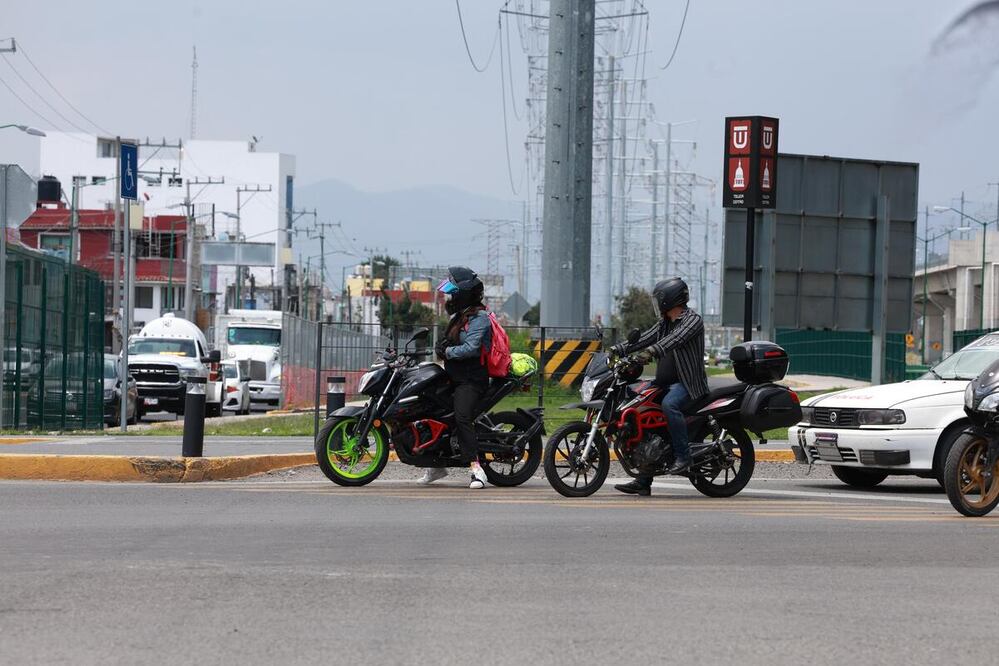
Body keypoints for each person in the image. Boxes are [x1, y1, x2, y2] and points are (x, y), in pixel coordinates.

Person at [611, 277, 708, 496]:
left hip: (688, 384)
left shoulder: (692, 321)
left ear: (671, 299)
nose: (657, 305)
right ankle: (643, 479)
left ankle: (683, 457)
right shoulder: (664, 323)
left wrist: (649, 353)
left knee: (669, 405)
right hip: (664, 383)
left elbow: (673, 340)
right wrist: (618, 349)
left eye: (659, 300)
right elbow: (644, 338)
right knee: (640, 409)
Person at [417, 266, 492, 489]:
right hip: (453, 376)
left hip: (471, 380)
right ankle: (436, 465)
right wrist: (441, 348)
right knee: (429, 408)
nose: (450, 299)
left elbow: (471, 348)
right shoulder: (460, 316)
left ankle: (477, 470)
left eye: (454, 294)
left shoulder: (479, 318)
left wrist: (447, 351)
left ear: (464, 295)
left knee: (462, 417)